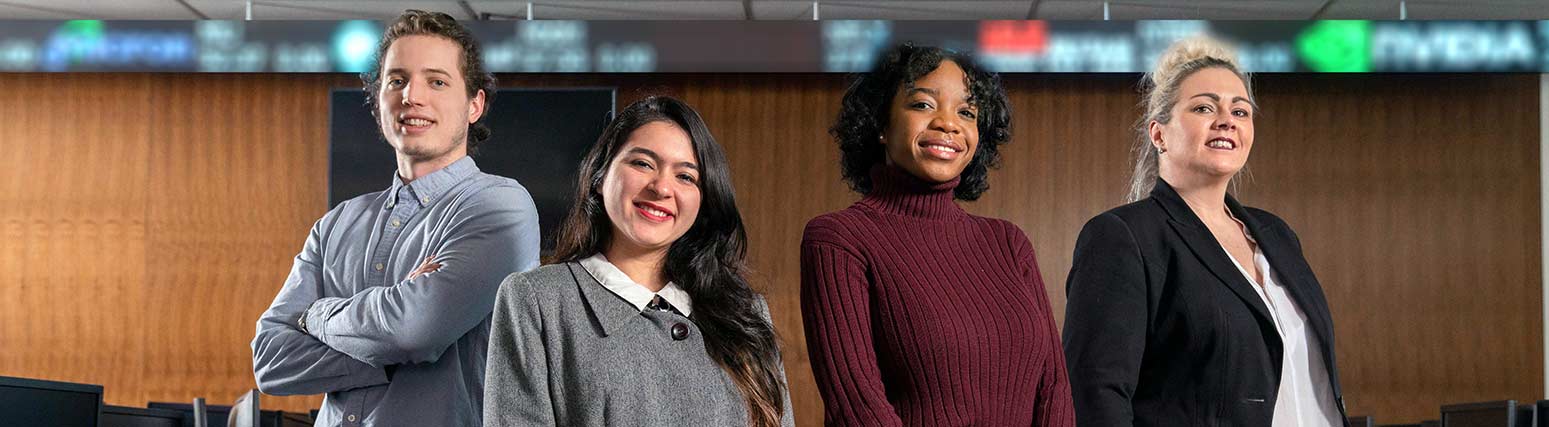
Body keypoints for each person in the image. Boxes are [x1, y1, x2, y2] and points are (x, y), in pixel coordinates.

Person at [250, 10, 539, 427]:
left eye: (437, 81)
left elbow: (413, 330)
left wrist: (315, 316)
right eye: (397, 80)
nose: (412, 96)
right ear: (379, 98)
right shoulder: (335, 225)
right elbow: (270, 361)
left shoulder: (499, 206)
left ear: (475, 104)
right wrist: (390, 346)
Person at [1062, 36, 1348, 426]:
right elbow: (1096, 394)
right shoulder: (1122, 237)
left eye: (1241, 111)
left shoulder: (1277, 235)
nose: (1227, 120)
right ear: (1159, 134)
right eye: (1203, 107)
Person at [800, 43, 1074, 426]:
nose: (949, 123)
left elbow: (1054, 389)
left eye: (966, 111)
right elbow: (858, 408)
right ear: (880, 123)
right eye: (923, 104)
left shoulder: (1009, 243)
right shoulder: (839, 239)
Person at [483, 96, 792, 427]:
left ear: (703, 201)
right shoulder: (537, 300)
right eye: (643, 163)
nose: (661, 188)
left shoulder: (745, 312)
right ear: (600, 176)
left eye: (686, 177)